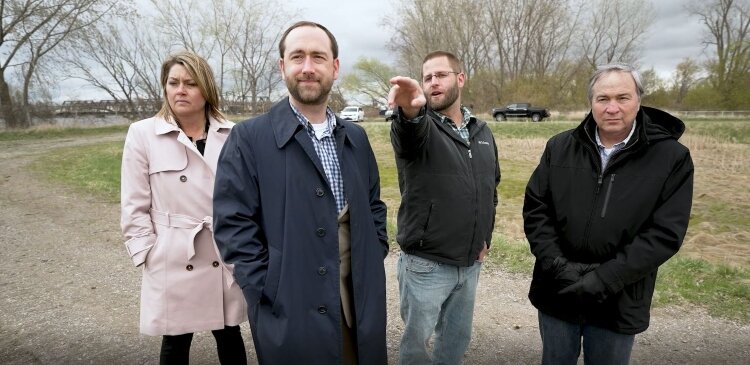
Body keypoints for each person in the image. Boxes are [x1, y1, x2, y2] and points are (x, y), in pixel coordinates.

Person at [212, 21, 388, 365]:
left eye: (318, 57)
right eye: (297, 57)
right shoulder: (249, 138)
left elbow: (372, 206)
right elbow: (232, 224)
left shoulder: (356, 137)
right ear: (282, 67)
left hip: (358, 301)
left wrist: (374, 250)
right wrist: (265, 285)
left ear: (334, 67)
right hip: (287, 306)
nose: (308, 67)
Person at [522, 63, 694, 365]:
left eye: (623, 97)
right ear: (591, 102)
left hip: (618, 299)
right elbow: (537, 208)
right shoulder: (560, 147)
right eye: (603, 99)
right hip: (558, 290)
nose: (612, 107)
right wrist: (557, 266)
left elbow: (665, 233)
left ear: (639, 100)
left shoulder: (671, 158)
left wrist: (605, 278)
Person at [120, 51, 247, 365]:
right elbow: (134, 202)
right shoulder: (142, 134)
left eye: (190, 83)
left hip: (222, 251)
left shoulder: (234, 134)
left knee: (230, 335)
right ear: (164, 87)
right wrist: (147, 250)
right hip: (175, 254)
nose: (180, 90)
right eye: (173, 82)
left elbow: (247, 198)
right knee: (175, 340)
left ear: (206, 90)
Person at [388, 51, 501, 364]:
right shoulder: (420, 127)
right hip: (426, 264)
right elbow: (408, 135)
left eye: (441, 75)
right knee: (416, 347)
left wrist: (486, 238)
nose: (433, 83)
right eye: (427, 78)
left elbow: (491, 189)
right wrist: (409, 113)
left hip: (470, 262)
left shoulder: (482, 131)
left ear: (460, 79)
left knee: (455, 341)